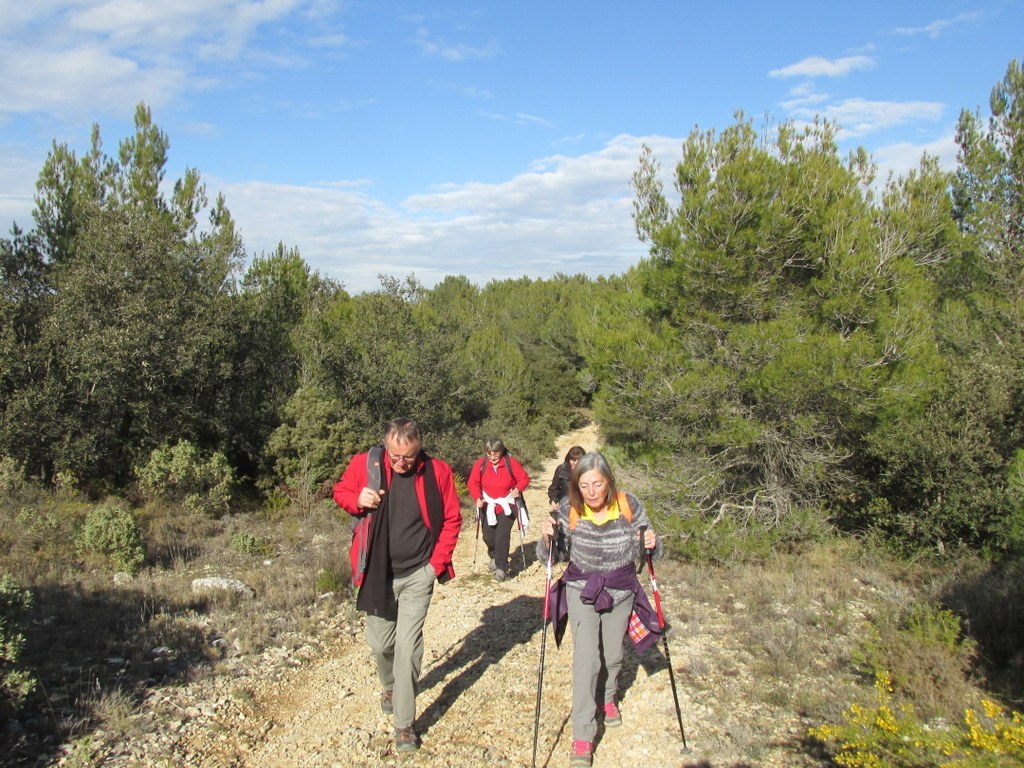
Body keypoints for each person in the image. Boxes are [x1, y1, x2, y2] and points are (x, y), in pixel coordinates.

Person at [333, 418, 462, 754]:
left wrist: (436, 565)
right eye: (395, 457)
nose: (402, 463)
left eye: (409, 457)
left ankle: (404, 724)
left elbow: (451, 518)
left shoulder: (438, 472)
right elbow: (341, 492)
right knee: (380, 644)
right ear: (385, 447)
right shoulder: (366, 464)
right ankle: (389, 686)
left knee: (408, 647)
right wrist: (358, 498)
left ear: (419, 448)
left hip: (418, 574)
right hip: (376, 572)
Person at [537, 451, 663, 768]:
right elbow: (552, 557)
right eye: (585, 485)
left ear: (608, 482)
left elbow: (648, 549)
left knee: (613, 655)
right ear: (577, 485)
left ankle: (606, 698)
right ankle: (582, 734)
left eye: (598, 484)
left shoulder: (628, 505)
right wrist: (547, 540)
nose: (592, 492)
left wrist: (651, 542)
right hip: (582, 592)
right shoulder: (569, 510)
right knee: (586, 660)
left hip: (621, 591)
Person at [467, 437, 530, 582]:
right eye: (489, 454)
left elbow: (524, 478)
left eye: (495, 453)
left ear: (501, 452)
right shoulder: (481, 464)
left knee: (502, 535)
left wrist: (518, 489)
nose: (492, 457)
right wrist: (477, 497)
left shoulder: (510, 463)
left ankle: (502, 567)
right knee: (488, 536)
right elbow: (473, 482)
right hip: (488, 503)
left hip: (507, 504)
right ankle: (494, 555)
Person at [547, 445, 585, 511]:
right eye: (572, 460)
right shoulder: (561, 470)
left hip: (583, 508)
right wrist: (554, 500)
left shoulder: (588, 472)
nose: (574, 463)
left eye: (578, 460)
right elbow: (553, 489)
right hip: (564, 508)